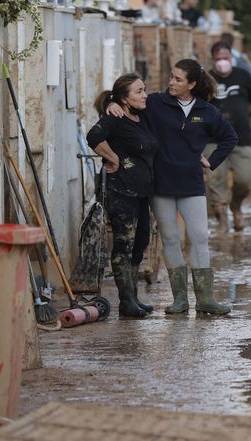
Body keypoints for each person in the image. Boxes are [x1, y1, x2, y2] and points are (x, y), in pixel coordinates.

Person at [108, 59, 238, 315]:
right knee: (170, 239)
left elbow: (229, 137)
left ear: (191, 84)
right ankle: (180, 299)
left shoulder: (207, 111)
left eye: (178, 79)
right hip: (161, 184)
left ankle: (205, 299)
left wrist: (210, 161)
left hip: (191, 183)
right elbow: (127, 103)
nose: (171, 82)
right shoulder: (156, 103)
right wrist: (111, 103)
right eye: (171, 76)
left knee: (200, 237)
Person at [86, 73, 158, 318]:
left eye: (144, 89)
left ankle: (134, 298)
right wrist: (113, 157)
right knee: (123, 245)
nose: (144, 94)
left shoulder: (144, 116)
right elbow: (93, 137)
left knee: (140, 243)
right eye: (139, 91)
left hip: (141, 192)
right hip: (119, 191)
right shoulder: (113, 118)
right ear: (125, 99)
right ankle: (126, 302)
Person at [206, 40, 251, 232]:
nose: (222, 62)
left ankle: (236, 204)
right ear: (213, 60)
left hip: (241, 137)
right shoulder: (206, 80)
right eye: (218, 59)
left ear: (231, 58)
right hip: (212, 138)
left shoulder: (243, 76)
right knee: (216, 177)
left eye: (226, 58)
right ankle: (222, 217)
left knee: (246, 177)